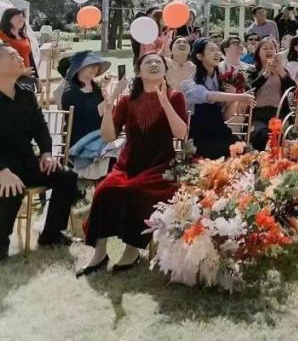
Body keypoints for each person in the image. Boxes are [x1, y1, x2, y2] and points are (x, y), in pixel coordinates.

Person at [77, 51, 189, 276]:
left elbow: (182, 133)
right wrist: (108, 112)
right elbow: (109, 137)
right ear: (139, 71)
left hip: (161, 166)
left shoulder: (175, 96)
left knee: (135, 191)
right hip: (128, 164)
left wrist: (165, 103)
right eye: (149, 61)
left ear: (165, 70)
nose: (155, 64)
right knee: (105, 190)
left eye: (159, 61)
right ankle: (99, 253)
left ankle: (132, 249)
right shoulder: (128, 100)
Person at [0, 43, 78, 258]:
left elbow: (40, 128)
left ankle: (51, 233)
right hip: (2, 166)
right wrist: (2, 170)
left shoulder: (25, 94)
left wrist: (46, 153)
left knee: (67, 177)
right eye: (12, 55)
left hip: (25, 161)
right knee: (10, 187)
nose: (20, 58)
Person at [181, 38, 253, 159]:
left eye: (217, 50)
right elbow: (209, 96)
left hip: (220, 129)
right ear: (200, 56)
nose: (217, 53)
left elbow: (225, 117)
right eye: (211, 50)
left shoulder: (221, 79)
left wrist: (233, 100)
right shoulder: (190, 83)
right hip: (200, 135)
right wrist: (239, 96)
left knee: (245, 153)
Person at [246, 39, 294, 151]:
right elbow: (248, 88)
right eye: (265, 48)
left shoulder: (283, 71)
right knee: (262, 133)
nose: (269, 50)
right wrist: (265, 75)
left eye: (272, 48)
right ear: (258, 52)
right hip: (258, 114)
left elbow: (293, 89)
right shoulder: (252, 71)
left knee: (279, 135)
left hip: (277, 113)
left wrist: (281, 72)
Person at [60, 51, 111, 146]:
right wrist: (112, 97)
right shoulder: (70, 92)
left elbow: (105, 115)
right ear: (78, 68)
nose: (94, 68)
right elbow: (93, 116)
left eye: (96, 65)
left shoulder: (96, 87)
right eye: (90, 65)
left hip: (98, 138)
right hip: (80, 144)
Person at [0, 7, 37, 78]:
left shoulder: (25, 38)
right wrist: (22, 72)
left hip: (27, 78)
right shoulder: (1, 37)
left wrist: (37, 77)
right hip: (9, 80)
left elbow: (30, 58)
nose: (22, 19)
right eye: (18, 16)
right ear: (8, 19)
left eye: (23, 16)